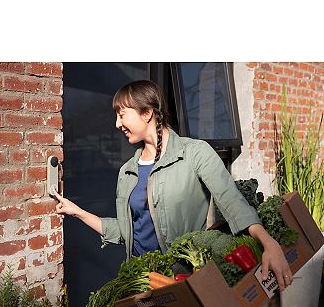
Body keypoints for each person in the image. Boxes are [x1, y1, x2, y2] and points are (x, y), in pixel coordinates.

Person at [52, 80, 293, 291]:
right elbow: (129, 231)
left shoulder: (194, 153)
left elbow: (231, 201)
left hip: (183, 279)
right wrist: (78, 212)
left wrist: (268, 242)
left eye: (122, 114)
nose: (117, 124)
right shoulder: (127, 171)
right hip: (141, 278)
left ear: (147, 113)